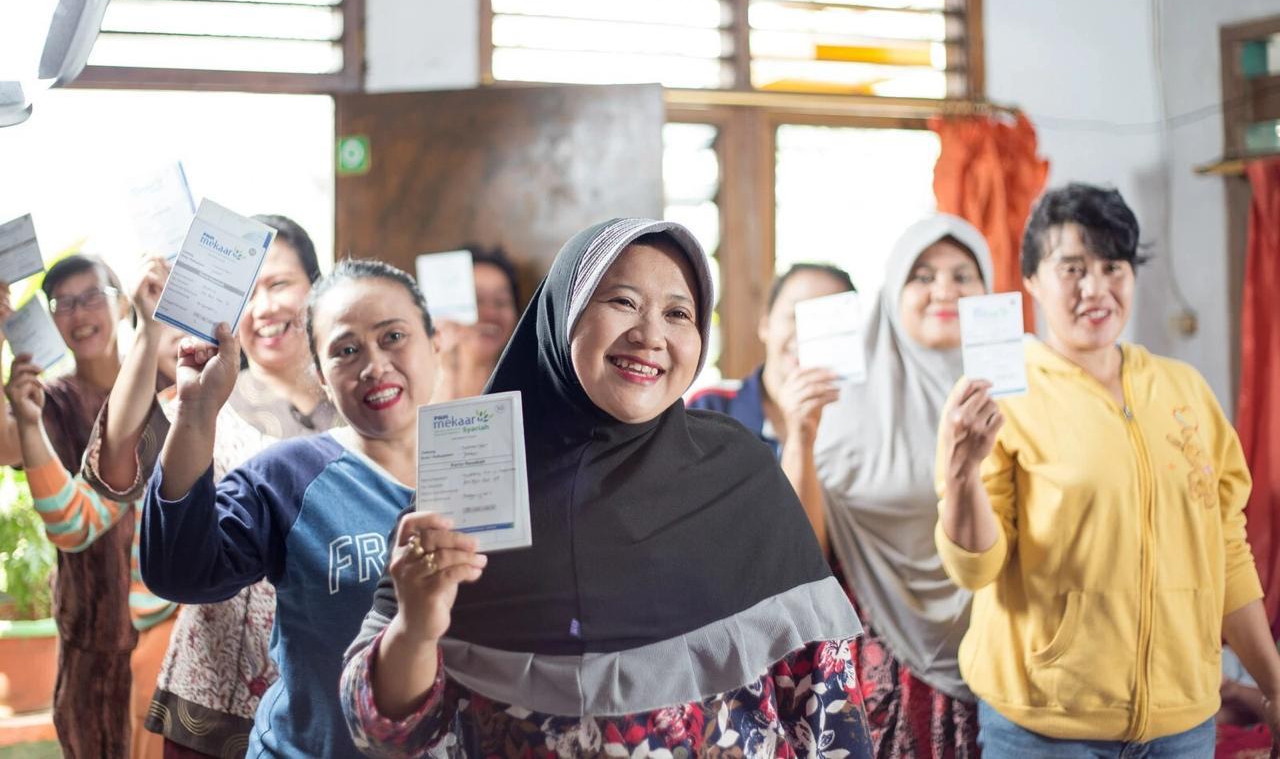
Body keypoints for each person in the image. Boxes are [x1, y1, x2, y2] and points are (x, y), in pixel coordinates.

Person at [339, 218, 874, 757]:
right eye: (622, 302)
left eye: (678, 313)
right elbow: (381, 733)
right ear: (564, 312)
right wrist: (416, 628)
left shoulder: (740, 473)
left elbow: (827, 709)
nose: (651, 335)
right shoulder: (472, 478)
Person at [935, 184, 1280, 755]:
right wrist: (961, 476)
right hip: (1044, 729)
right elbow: (975, 568)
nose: (1094, 289)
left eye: (1112, 267)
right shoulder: (997, 398)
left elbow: (1226, 550)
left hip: (1181, 726)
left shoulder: (1185, 391)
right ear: (1031, 280)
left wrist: (1273, 684)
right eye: (1072, 268)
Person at [138, 258, 439, 757]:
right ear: (320, 373)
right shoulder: (289, 476)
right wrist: (197, 410)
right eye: (346, 350)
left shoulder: (490, 463)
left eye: (393, 337)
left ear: (434, 342)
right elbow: (179, 572)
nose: (374, 365)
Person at [82, 216, 340, 758]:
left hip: (323, 703)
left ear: (316, 287)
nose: (263, 308)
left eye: (279, 284)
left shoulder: (354, 412)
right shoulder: (202, 395)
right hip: (210, 700)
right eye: (248, 292)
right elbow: (115, 461)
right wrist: (149, 329)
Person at [813, 215, 992, 757]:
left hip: (1007, 652)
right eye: (923, 276)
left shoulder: (1028, 382)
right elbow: (809, 538)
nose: (945, 290)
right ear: (893, 291)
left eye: (963, 275)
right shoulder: (841, 400)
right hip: (884, 659)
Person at [0, 257, 176, 759]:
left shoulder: (168, 384)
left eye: (93, 296)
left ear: (123, 305)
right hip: (90, 632)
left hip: (168, 629)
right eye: (64, 303)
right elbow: (7, 446)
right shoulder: (50, 400)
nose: (79, 313)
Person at [688, 262, 855, 542]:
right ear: (765, 324)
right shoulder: (709, 408)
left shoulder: (860, 426)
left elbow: (810, 551)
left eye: (827, 320)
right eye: (795, 315)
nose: (808, 333)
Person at [431, 245, 521, 402]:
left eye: (501, 302)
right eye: (476, 300)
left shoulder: (533, 392)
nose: (490, 313)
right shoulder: (412, 396)